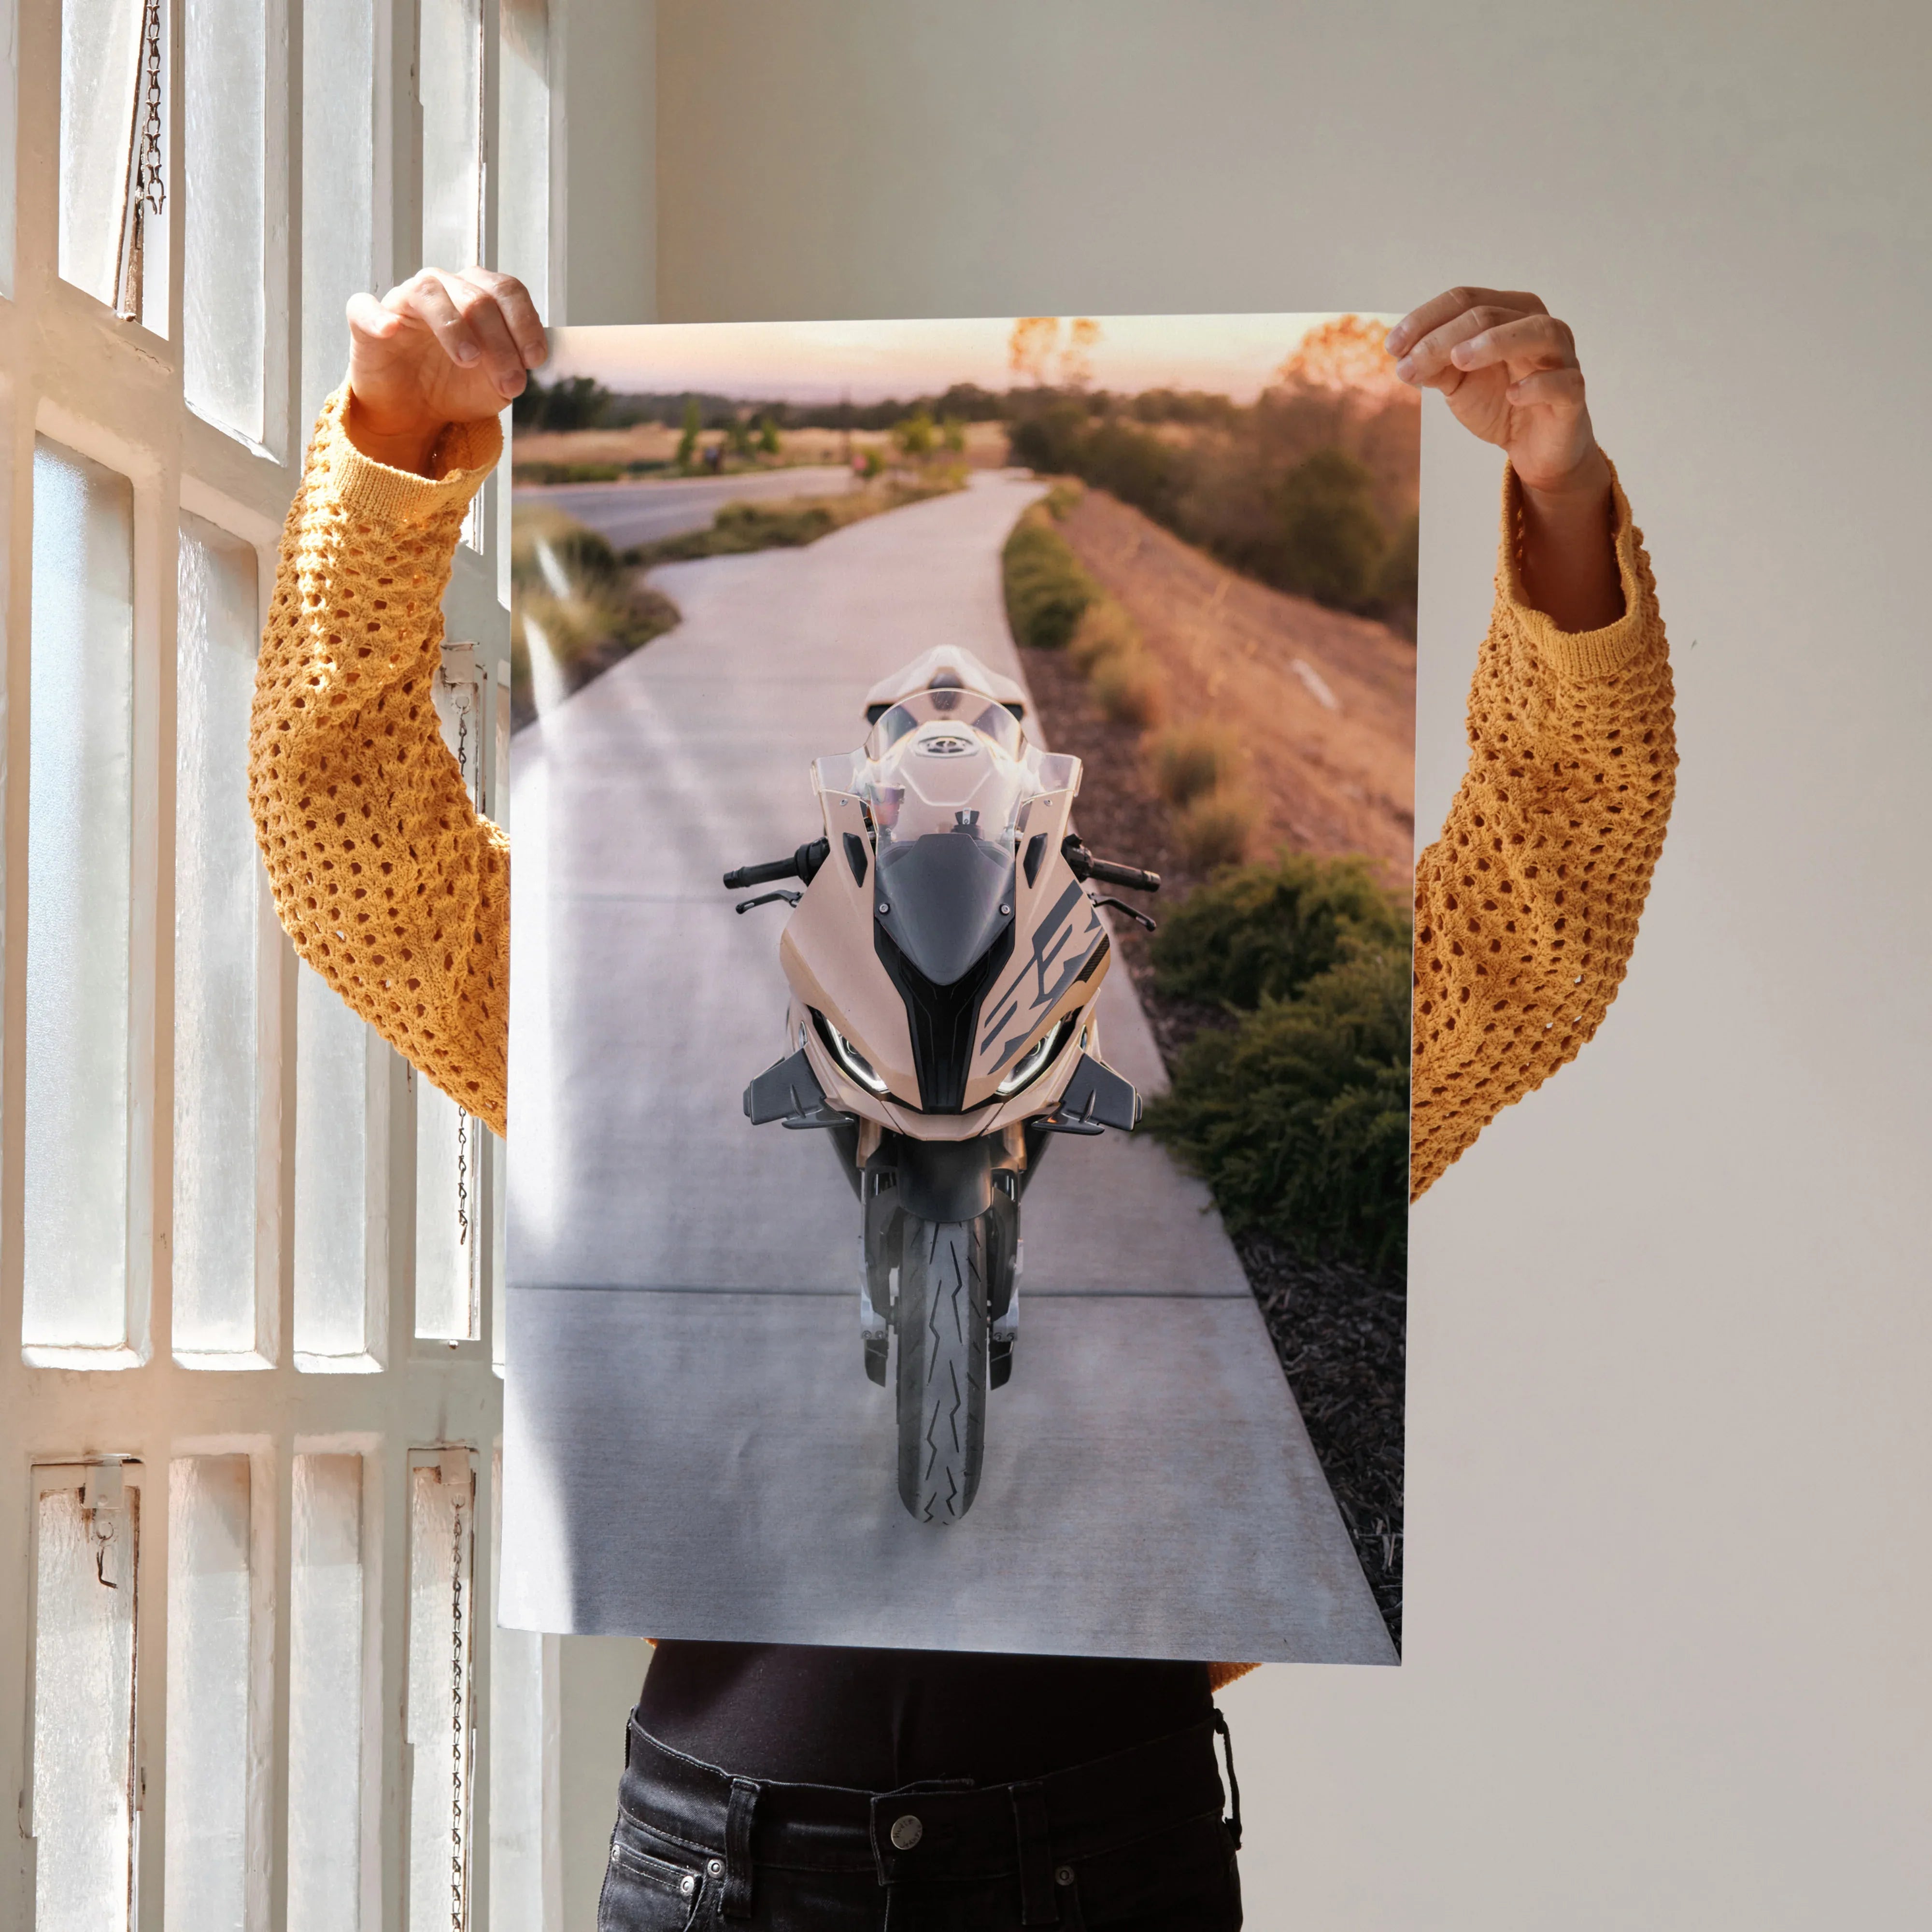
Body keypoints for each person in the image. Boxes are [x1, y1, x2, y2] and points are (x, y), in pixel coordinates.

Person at [249, 270, 1675, 1930]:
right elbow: (348, 844)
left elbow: (1541, 915)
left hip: (1105, 1855)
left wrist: (1560, 499)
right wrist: (394, 444)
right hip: (728, 1868)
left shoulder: (1214, 1045)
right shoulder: (645, 1018)